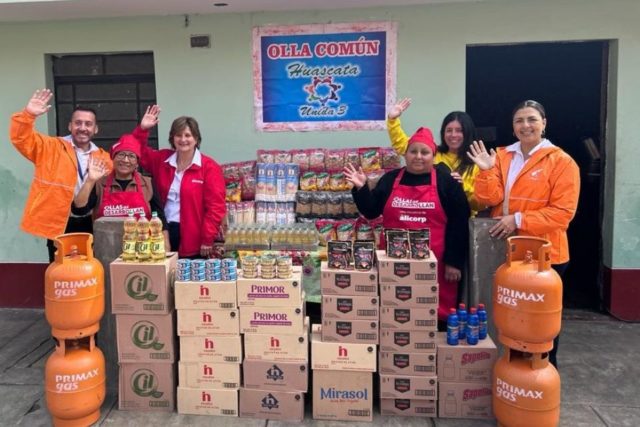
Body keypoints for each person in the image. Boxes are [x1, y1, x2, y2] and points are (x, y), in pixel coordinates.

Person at [467, 99, 580, 367]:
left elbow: (563, 213)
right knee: (508, 314)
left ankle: (540, 373)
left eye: (531, 119)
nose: (525, 125)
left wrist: (517, 219)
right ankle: (508, 369)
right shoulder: (502, 156)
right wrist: (485, 170)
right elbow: (487, 198)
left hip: (544, 254)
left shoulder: (561, 162)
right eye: (519, 120)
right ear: (513, 126)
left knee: (538, 321)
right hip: (505, 250)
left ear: (544, 123)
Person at [345, 127, 470, 325]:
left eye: (424, 152)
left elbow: (460, 223)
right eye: (413, 151)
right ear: (405, 154)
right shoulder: (390, 179)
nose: (418, 157)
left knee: (434, 317)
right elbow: (371, 211)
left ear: (433, 155)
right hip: (395, 265)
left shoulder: (447, 183)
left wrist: (453, 261)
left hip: (437, 266)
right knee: (397, 315)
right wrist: (361, 188)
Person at [10, 89, 112, 262]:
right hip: (59, 222)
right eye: (78, 123)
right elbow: (21, 139)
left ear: (96, 129)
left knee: (90, 273)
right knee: (60, 276)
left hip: (91, 222)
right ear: (70, 126)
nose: (83, 128)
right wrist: (28, 115)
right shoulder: (51, 147)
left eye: (88, 124)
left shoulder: (104, 158)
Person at [132, 107, 226, 258]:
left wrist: (207, 238)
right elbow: (135, 152)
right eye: (178, 135)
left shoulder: (209, 167)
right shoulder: (161, 160)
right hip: (161, 230)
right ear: (172, 138)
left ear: (196, 139)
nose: (183, 140)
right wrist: (142, 130)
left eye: (188, 135)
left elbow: (216, 208)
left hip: (193, 236)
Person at [71, 133, 170, 249]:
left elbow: (160, 219)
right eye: (121, 154)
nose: (126, 160)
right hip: (106, 251)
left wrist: (166, 248)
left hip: (143, 252)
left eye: (131, 156)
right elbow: (79, 209)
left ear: (137, 162)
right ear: (113, 157)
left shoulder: (148, 183)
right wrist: (90, 180)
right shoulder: (99, 183)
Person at [387, 98, 484, 216]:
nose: (453, 135)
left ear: (468, 132)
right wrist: (393, 120)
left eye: (459, 131)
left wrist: (464, 187)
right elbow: (403, 145)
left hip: (463, 222)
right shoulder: (433, 152)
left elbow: (480, 204)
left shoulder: (477, 162)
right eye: (449, 130)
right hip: (432, 219)